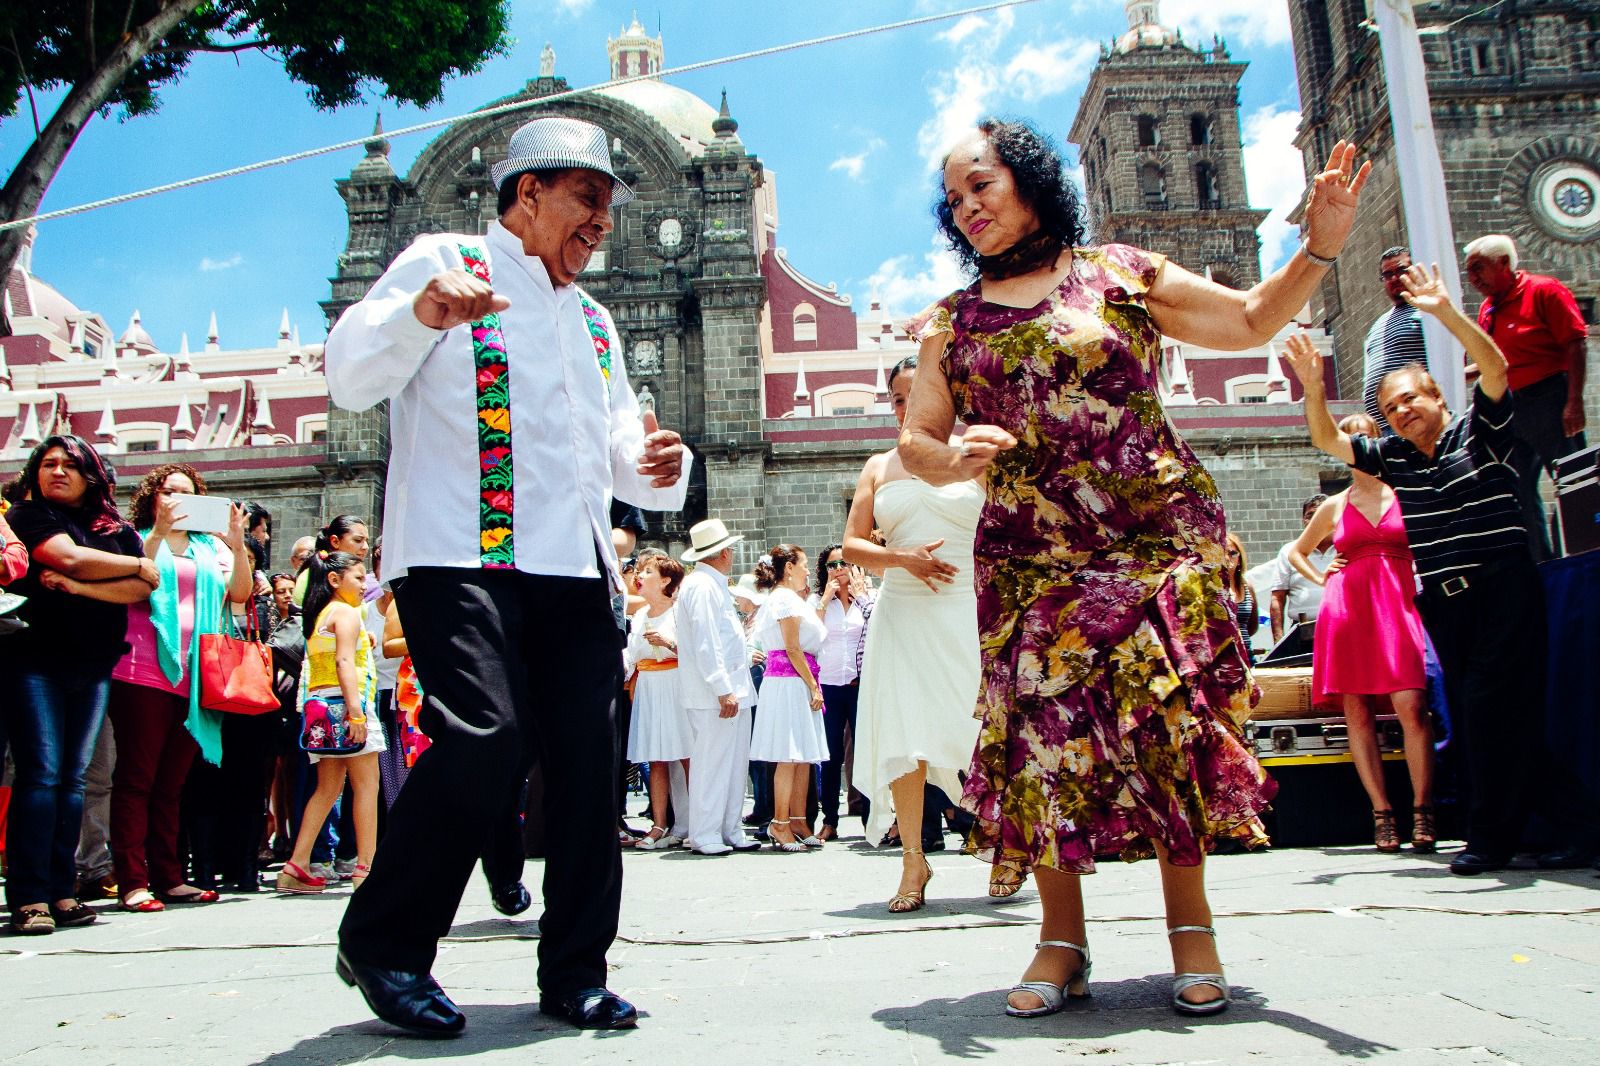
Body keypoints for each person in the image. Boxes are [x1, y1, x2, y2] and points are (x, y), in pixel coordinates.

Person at [899, 118, 1366, 1017]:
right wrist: (952, 458)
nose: (967, 210)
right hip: (1034, 558)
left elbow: (1252, 318)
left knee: (1169, 729)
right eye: (953, 201)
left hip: (1154, 539)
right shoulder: (952, 322)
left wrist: (1319, 246)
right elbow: (916, 439)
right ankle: (1060, 941)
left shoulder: (1120, 273)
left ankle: (1192, 929)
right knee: (1042, 740)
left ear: (1030, 181)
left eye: (981, 185)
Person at [325, 115, 688, 1035]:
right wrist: (418, 315)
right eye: (588, 198)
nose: (603, 221)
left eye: (609, 204)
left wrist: (655, 464)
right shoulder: (442, 260)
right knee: (485, 736)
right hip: (459, 552)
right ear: (528, 191)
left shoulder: (595, 321)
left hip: (575, 565)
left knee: (589, 768)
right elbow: (349, 378)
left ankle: (575, 972)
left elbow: (617, 444)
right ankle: (383, 943)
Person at [1283, 261, 1587, 875]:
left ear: (1439, 398)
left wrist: (1446, 312)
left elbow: (1496, 369)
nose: (1401, 412)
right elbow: (1328, 441)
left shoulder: (1481, 432)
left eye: (1411, 400)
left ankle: (1494, 838)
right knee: (1484, 714)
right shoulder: (1394, 457)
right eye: (1390, 407)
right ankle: (1552, 829)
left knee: (1490, 708)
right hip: (1447, 602)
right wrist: (1312, 386)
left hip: (1503, 584)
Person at [843, 353, 1000, 911]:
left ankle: (1004, 841)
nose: (907, 407)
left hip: (965, 607)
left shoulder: (977, 456)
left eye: (917, 395)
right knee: (902, 735)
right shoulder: (878, 466)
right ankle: (913, 859)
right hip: (902, 612)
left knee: (981, 730)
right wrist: (901, 558)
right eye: (898, 399)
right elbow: (852, 546)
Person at [0, 436, 153, 935]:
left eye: (69, 464)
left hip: (94, 664)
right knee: (41, 776)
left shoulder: (114, 527)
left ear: (91, 475)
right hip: (34, 661)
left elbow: (140, 591)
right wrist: (135, 563)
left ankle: (62, 891)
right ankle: (29, 897)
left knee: (73, 780)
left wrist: (79, 587)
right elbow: (67, 557)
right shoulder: (27, 516)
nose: (57, 472)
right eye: (48, 464)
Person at [1287, 413, 1435, 853]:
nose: (1356, 443)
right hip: (1348, 609)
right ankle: (1382, 813)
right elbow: (1296, 552)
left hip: (1398, 606)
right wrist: (1321, 577)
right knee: (1358, 714)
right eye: (1349, 437)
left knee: (1412, 706)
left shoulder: (1405, 492)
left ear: (1377, 442)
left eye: (1365, 436)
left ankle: (1424, 810)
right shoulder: (1335, 505)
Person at [1464, 234, 1589, 560]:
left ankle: (1578, 554)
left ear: (1503, 262)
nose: (1472, 278)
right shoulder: (1488, 309)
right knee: (1516, 489)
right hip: (1510, 407)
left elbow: (1576, 343)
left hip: (1550, 398)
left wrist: (1574, 402)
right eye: (1469, 271)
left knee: (1572, 481)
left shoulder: (1544, 290)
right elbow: (1494, 360)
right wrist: (1452, 373)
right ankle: (1543, 562)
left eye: (1478, 268)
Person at [277, 550, 384, 893]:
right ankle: (366, 868)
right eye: (358, 577)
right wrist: (356, 713)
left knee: (327, 789)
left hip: (321, 709)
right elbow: (343, 662)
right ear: (335, 580)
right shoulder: (347, 613)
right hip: (349, 705)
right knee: (366, 786)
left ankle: (297, 865)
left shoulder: (321, 614)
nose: (364, 583)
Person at [674, 520, 757, 857]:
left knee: (734, 764)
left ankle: (729, 828)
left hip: (733, 689)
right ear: (723, 552)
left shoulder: (712, 584)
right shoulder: (701, 586)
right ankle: (705, 832)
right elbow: (706, 642)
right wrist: (722, 688)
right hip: (715, 694)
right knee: (712, 763)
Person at [749, 544, 828, 851]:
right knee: (788, 752)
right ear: (790, 567)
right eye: (804, 564)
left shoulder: (792, 599)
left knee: (802, 754)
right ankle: (779, 822)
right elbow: (792, 647)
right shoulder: (783, 599)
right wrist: (813, 686)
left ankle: (797, 820)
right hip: (788, 681)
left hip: (797, 680)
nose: (808, 570)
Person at [624, 555, 690, 849]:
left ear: (665, 580)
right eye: (640, 571)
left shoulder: (678, 613)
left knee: (686, 753)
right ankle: (659, 823)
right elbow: (632, 655)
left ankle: (695, 821)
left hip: (674, 681)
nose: (640, 576)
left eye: (648, 571)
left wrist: (668, 643)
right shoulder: (640, 616)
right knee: (656, 757)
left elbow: (694, 652)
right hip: (649, 684)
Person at [810, 544, 873, 842]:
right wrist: (825, 599)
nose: (838, 570)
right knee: (831, 756)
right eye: (832, 565)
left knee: (865, 752)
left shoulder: (868, 598)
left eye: (843, 563)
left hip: (860, 686)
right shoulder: (817, 601)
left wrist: (862, 597)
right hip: (829, 686)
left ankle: (871, 819)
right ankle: (830, 820)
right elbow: (810, 635)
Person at [1362, 247, 1429, 432]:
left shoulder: (1428, 311)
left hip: (1417, 421)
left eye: (1401, 270)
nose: (1394, 278)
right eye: (1387, 274)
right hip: (1384, 429)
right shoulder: (1378, 324)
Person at [1269, 495, 1334, 645]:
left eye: (1320, 514)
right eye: (1309, 515)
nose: (1314, 520)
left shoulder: (1346, 548)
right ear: (1303, 520)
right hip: (1302, 634)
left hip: (1342, 628)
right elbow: (1277, 598)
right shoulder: (1289, 551)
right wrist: (1279, 642)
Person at [1222, 534, 1260, 663]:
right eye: (1222, 553)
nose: (1227, 558)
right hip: (1223, 658)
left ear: (1239, 558)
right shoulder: (1211, 588)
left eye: (1232, 553)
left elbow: (1253, 626)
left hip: (1247, 655)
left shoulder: (1247, 587)